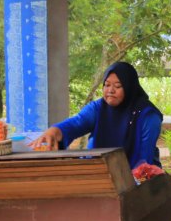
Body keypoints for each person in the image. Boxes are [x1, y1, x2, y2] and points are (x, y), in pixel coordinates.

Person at [30, 61, 163, 170]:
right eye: (106, 85)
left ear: (129, 88)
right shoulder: (98, 108)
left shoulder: (148, 116)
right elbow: (77, 123)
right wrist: (55, 130)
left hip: (137, 178)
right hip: (97, 173)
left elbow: (144, 159)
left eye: (117, 86)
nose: (110, 90)